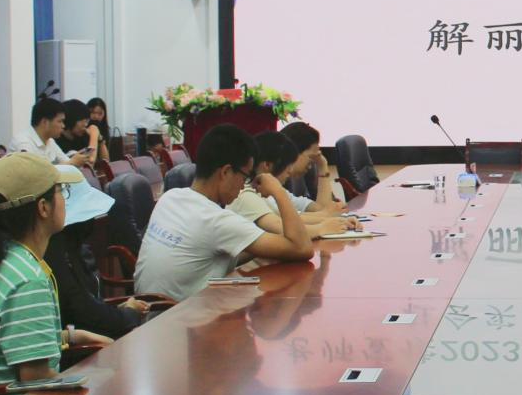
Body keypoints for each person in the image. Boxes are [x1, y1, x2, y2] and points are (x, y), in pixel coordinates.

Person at [0, 153, 112, 395]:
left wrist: (72, 336)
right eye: (61, 192)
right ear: (43, 207)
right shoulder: (27, 281)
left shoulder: (6, 257)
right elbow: (36, 380)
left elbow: (14, 338)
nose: (64, 200)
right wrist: (101, 381)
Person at [133, 124, 314, 301]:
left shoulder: (170, 197)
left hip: (144, 312)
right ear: (226, 172)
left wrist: (260, 245)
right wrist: (277, 190)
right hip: (181, 316)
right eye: (245, 176)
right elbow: (302, 248)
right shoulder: (216, 220)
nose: (244, 185)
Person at [44, 165, 151, 339]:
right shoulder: (57, 255)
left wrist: (119, 311)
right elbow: (82, 312)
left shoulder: (68, 247)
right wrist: (127, 314)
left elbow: (88, 308)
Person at [228, 132, 358, 239]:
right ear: (267, 165)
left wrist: (334, 221)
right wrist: (322, 227)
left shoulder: (262, 190)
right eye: (287, 166)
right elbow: (278, 225)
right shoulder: (245, 193)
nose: (290, 172)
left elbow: (295, 218)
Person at [279, 122, 345, 212]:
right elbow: (324, 212)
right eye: (312, 157)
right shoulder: (270, 189)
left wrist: (322, 165)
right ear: (293, 152)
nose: (311, 165)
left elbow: (324, 209)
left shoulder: (286, 194)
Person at [10, 98, 91, 168]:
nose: (63, 126)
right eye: (60, 121)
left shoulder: (50, 141)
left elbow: (65, 161)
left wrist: (75, 159)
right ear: (45, 122)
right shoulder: (23, 142)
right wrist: (72, 162)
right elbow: (35, 174)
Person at [57, 100, 106, 165]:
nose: (86, 125)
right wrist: (94, 135)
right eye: (84, 120)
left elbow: (106, 161)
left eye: (87, 121)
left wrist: (100, 140)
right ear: (72, 119)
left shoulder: (81, 136)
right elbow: (89, 163)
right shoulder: (57, 140)